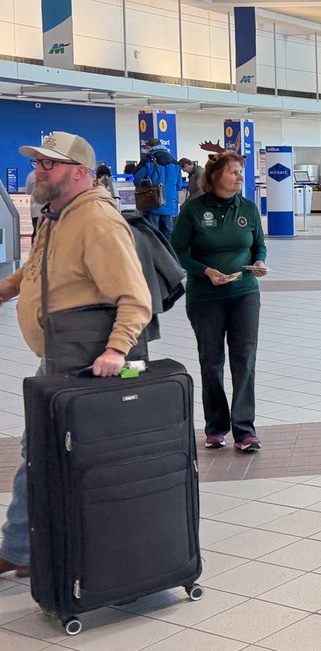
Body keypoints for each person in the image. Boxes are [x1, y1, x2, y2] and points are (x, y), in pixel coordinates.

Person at [0, 131, 152, 577]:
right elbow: (40, 267)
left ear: (80, 173)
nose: (38, 171)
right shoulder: (57, 216)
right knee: (43, 451)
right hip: (58, 355)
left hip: (84, 360)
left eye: (50, 164)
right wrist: (10, 288)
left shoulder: (96, 221)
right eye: (38, 163)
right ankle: (28, 546)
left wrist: (115, 349)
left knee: (46, 452)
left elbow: (134, 295)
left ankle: (24, 548)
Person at [171, 152, 268, 453]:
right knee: (211, 362)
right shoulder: (193, 210)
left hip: (244, 294)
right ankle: (215, 427)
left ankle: (244, 430)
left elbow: (259, 246)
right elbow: (177, 251)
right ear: (215, 177)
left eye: (241, 172)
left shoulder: (248, 209)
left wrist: (260, 262)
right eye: (234, 172)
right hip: (205, 297)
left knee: (244, 361)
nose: (240, 177)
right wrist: (205, 271)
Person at [133, 139, 186, 237]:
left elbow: (137, 180)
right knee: (167, 233)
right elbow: (179, 185)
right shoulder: (175, 163)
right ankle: (167, 251)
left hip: (152, 203)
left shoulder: (147, 160)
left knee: (151, 233)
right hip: (169, 203)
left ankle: (154, 252)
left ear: (149, 147)